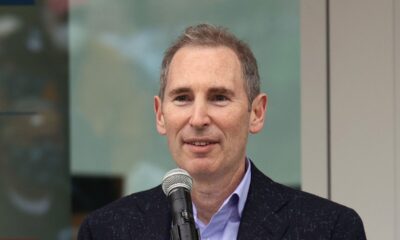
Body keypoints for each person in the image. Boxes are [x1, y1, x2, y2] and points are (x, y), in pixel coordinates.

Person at [78, 23, 366, 240]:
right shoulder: (106, 230)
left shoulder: (330, 229)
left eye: (219, 97)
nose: (199, 118)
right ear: (160, 115)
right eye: (182, 98)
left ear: (256, 113)